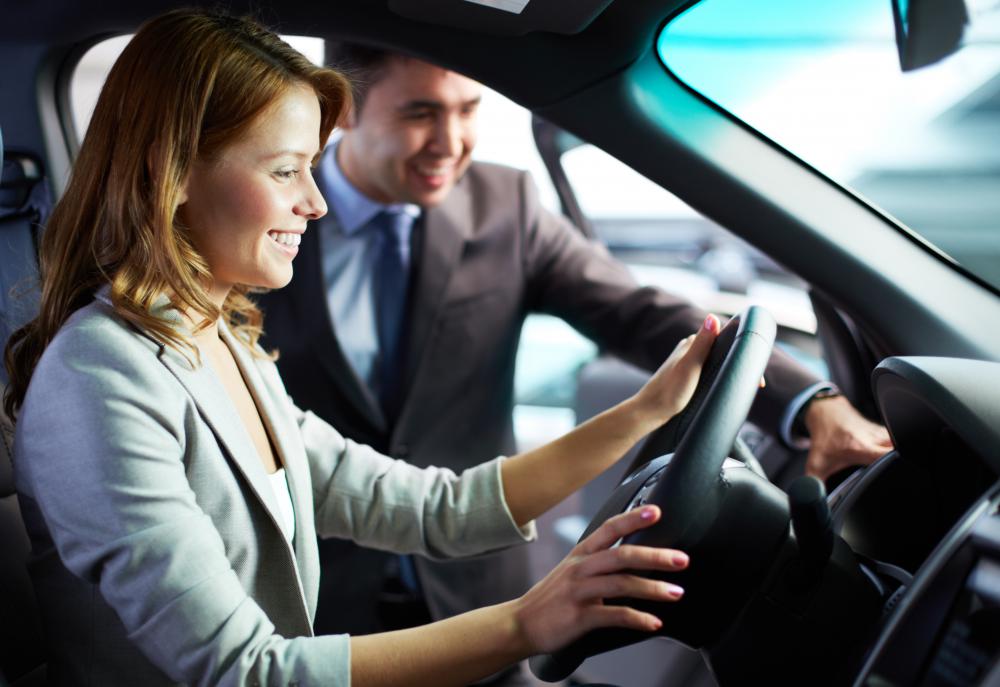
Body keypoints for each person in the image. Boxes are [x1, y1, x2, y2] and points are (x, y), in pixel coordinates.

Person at [3, 9, 724, 686]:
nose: (314, 202)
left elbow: (438, 510)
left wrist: (646, 411)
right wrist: (524, 622)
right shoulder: (97, 379)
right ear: (175, 173)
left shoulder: (222, 341)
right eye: (285, 170)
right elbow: (246, 670)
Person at [253, 40, 895, 673]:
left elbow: (641, 311)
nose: (451, 141)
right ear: (347, 110)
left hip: (477, 589)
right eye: (421, 113)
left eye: (469, 110)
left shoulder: (507, 207)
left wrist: (812, 401)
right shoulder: (263, 226)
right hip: (316, 604)